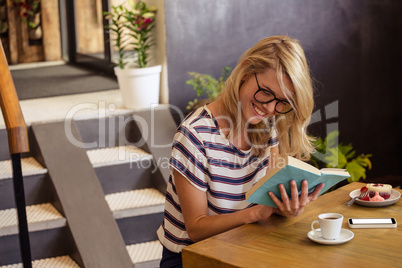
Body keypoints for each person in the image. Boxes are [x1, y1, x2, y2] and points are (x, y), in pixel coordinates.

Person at [157, 35, 325, 267]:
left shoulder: (266, 125)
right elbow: (195, 228)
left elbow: (266, 196)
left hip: (241, 246)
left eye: (281, 102)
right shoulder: (194, 135)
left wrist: (287, 208)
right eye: (265, 92)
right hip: (190, 257)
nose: (268, 108)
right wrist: (255, 214)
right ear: (245, 72)